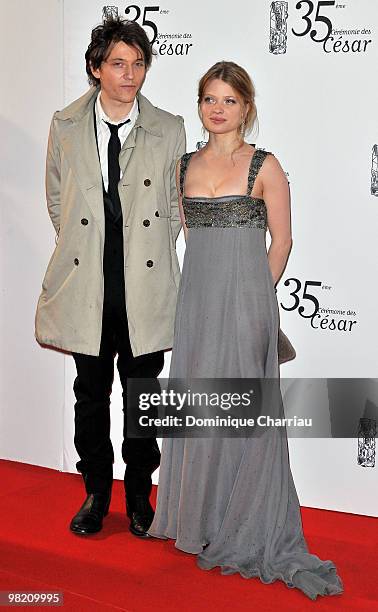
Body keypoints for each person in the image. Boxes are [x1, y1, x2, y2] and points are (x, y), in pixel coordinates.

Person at [148, 61, 343, 600]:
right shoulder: (184, 165)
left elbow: (281, 242)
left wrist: (259, 296)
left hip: (247, 304)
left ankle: (246, 524)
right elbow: (190, 237)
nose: (218, 109)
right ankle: (204, 521)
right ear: (200, 105)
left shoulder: (266, 165)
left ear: (247, 108)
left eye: (229, 100)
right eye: (210, 99)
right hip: (198, 304)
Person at [35, 17, 186, 537]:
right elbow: (58, 198)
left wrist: (150, 257)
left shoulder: (169, 127)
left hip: (143, 286)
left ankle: (142, 497)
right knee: (90, 397)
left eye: (139, 63)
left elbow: (173, 203)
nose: (130, 74)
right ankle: (97, 493)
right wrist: (86, 244)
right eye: (119, 64)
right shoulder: (66, 123)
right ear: (96, 68)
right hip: (88, 287)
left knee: (144, 397)